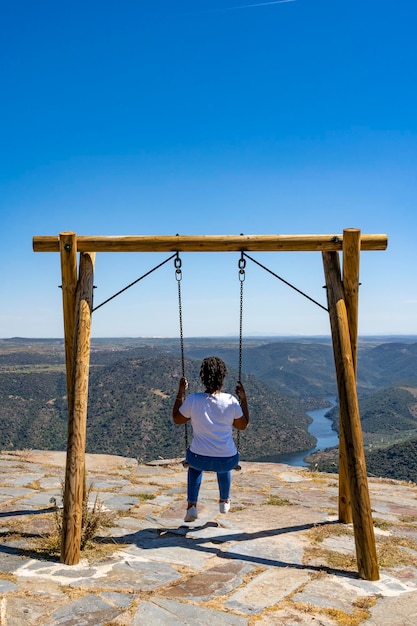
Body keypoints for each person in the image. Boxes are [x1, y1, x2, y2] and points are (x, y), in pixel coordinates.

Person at [172, 356, 249, 522]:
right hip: (227, 460)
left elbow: (177, 419)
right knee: (224, 464)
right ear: (223, 377)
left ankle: (192, 506)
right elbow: (242, 426)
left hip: (198, 459)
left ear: (202, 377)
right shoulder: (231, 400)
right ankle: (224, 501)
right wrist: (243, 400)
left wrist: (180, 393)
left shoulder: (193, 399)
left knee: (193, 467)